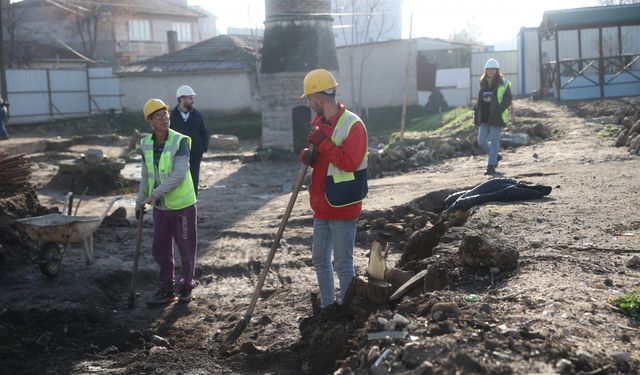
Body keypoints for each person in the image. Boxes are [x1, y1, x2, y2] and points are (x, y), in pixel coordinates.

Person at [298, 69, 368, 309]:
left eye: (309, 98)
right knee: (319, 260)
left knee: (343, 264)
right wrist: (309, 155)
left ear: (319, 98)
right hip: (321, 205)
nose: (308, 103)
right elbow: (325, 160)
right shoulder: (319, 122)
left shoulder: (353, 125)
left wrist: (323, 144)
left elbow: (349, 162)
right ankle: (328, 309)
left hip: (343, 204)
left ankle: (346, 311)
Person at [136, 98, 198, 305]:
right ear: (150, 122)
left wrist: (156, 194)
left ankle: (187, 287)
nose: (164, 118)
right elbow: (146, 175)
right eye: (158, 116)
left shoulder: (179, 141)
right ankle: (166, 289)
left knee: (186, 249)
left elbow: (179, 173)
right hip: (161, 208)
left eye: (166, 114)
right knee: (160, 249)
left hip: (182, 206)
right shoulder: (145, 144)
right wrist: (139, 200)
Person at [474, 58, 513, 175]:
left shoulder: (503, 83)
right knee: (481, 141)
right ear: (486, 70)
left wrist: (498, 111)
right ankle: (495, 155)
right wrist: (476, 111)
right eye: (489, 69)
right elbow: (480, 100)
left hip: (497, 117)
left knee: (494, 141)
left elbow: (507, 100)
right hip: (484, 117)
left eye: (493, 69)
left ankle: (491, 166)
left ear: (497, 70)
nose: (491, 71)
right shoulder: (483, 83)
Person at [170, 85, 209, 195]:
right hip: (178, 155)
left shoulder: (197, 115)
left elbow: (204, 133)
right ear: (182, 99)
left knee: (193, 179)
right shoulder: (171, 117)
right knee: (179, 180)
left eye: (192, 98)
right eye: (190, 98)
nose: (192, 101)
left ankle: (193, 204)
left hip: (195, 154)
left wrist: (203, 148)